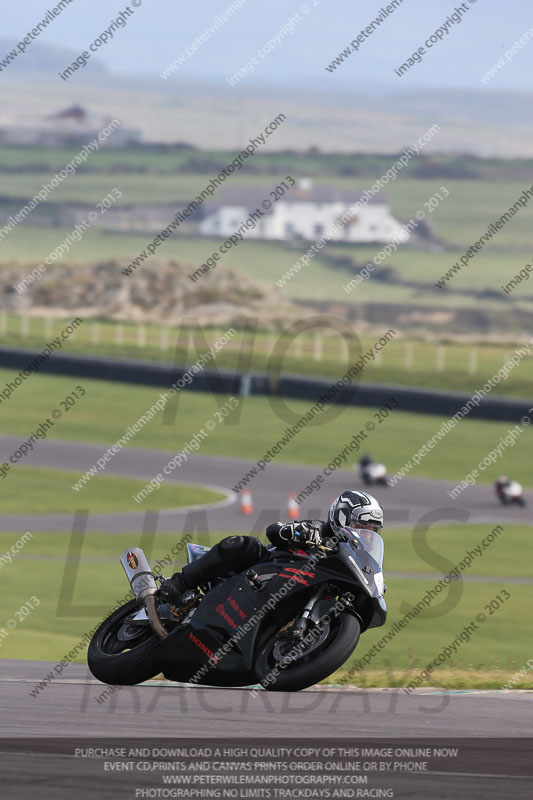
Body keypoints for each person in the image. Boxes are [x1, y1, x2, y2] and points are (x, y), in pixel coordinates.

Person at [159, 490, 384, 605]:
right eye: (360, 526)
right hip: (261, 575)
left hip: (287, 597)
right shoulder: (317, 529)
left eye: (371, 531)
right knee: (247, 545)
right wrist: (293, 531)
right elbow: (273, 530)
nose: (365, 534)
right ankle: (179, 582)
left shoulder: (349, 560)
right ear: (341, 517)